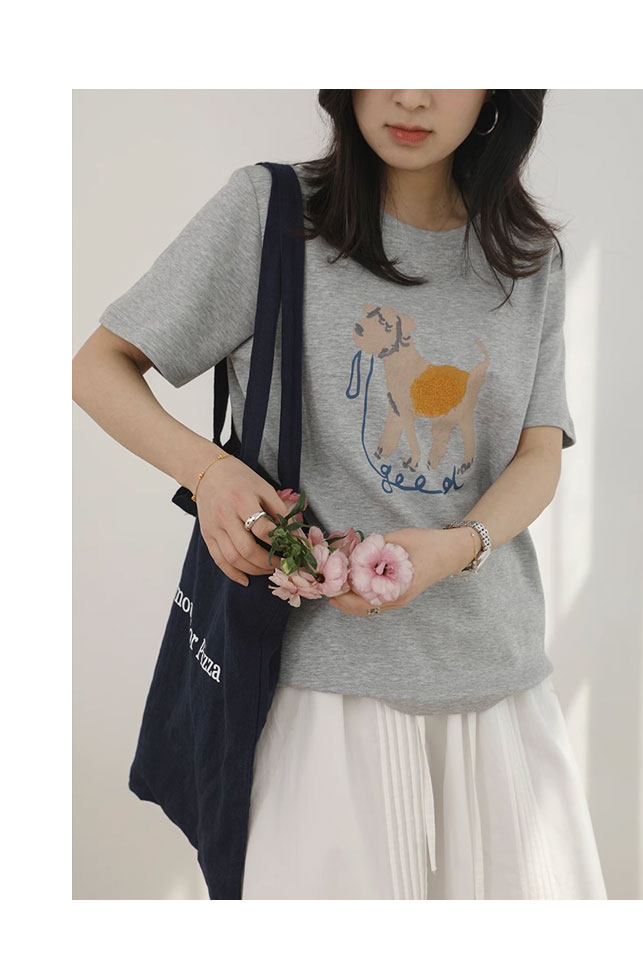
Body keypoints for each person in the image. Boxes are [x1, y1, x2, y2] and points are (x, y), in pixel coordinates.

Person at [72, 89, 607, 900]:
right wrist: (208, 472)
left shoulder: (529, 258)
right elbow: (97, 368)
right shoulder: (271, 215)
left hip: (497, 685)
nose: (412, 94)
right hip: (316, 694)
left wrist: (455, 548)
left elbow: (538, 453)